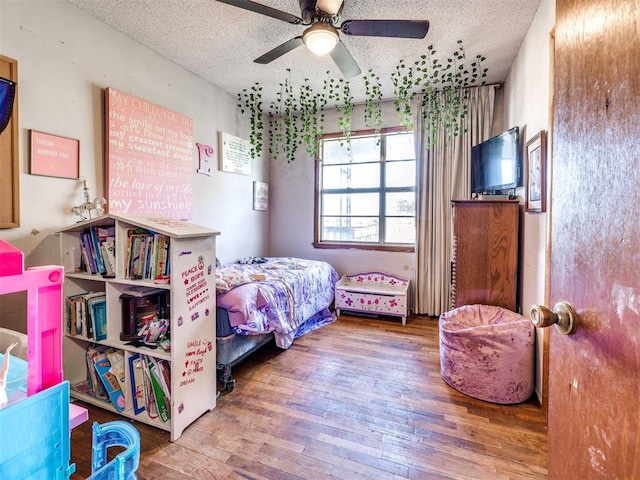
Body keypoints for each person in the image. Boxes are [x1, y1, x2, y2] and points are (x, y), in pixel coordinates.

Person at [0, 342, 18, 409]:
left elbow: (5, 369)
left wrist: (7, 352)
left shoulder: (1, 383)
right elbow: (5, 369)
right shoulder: (1, 383)